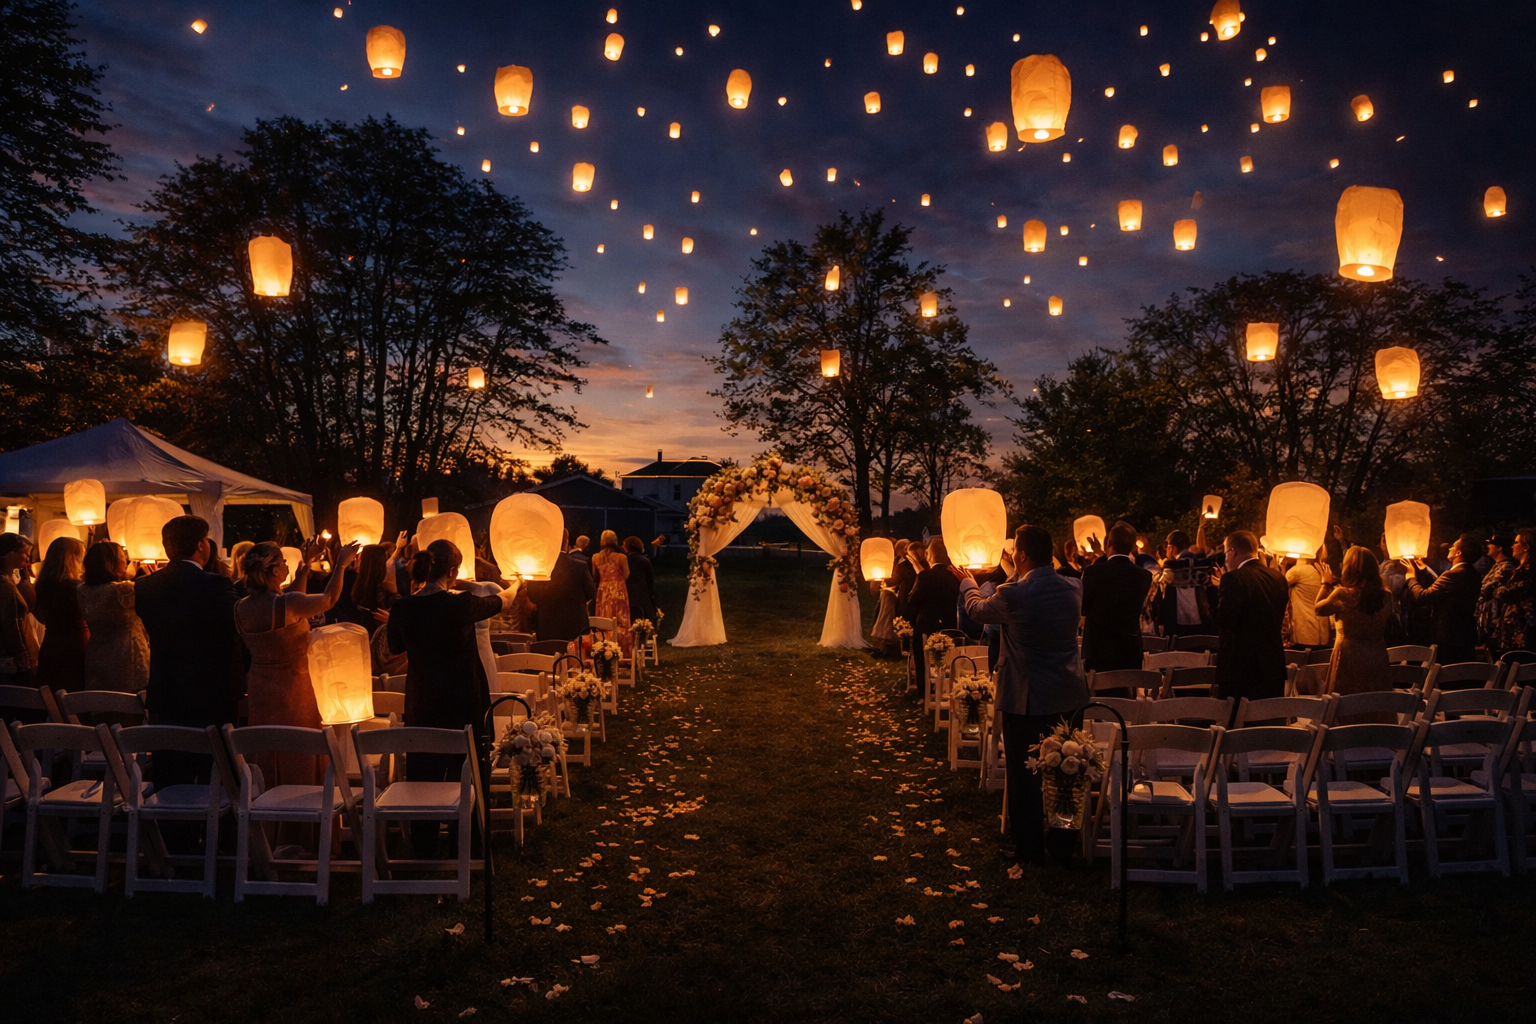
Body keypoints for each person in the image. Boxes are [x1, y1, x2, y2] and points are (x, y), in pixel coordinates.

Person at [956, 524, 1088, 863]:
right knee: (1067, 767)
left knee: (1024, 773)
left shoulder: (1012, 595)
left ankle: (1028, 847)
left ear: (1023, 555)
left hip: (1026, 698)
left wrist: (968, 581)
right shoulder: (1074, 587)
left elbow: (975, 610)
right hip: (1069, 694)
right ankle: (1062, 843)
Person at [386, 539, 522, 854]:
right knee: (471, 772)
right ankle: (469, 845)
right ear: (452, 570)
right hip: (465, 701)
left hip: (423, 703)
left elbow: (394, 647)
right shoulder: (460, 604)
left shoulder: (402, 607)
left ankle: (424, 845)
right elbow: (503, 601)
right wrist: (517, 582)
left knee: (424, 775)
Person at [235, 540, 360, 791]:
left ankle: (269, 813)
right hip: (294, 690)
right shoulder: (287, 603)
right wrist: (341, 564)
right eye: (282, 561)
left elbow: (288, 601)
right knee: (300, 750)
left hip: (260, 690)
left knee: (269, 747)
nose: (286, 564)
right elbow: (328, 598)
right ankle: (303, 816)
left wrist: (306, 565)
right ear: (274, 571)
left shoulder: (241, 607)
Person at [134, 515, 243, 794]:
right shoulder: (216, 585)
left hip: (166, 691)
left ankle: (173, 836)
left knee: (170, 778)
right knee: (218, 778)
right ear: (200, 545)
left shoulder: (146, 586)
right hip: (213, 693)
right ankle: (218, 837)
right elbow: (238, 629)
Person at [1214, 530, 1288, 708]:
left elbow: (1226, 622)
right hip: (1272, 666)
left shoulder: (1233, 578)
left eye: (1225, 553)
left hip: (1240, 669)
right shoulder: (1278, 577)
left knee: (1237, 731)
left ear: (1232, 552)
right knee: (1267, 728)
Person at [1315, 547, 1394, 695]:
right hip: (1377, 658)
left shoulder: (1343, 595)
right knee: (1374, 702)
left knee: (1346, 704)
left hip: (1348, 658)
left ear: (1349, 569)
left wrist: (1325, 584)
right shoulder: (1387, 597)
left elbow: (1319, 609)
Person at [1080, 522, 1153, 673]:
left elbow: (1083, 606)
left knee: (1099, 696)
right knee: (1127, 695)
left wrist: (1100, 555)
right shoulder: (1144, 576)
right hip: (1130, 651)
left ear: (1109, 543)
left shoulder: (1094, 572)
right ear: (1133, 546)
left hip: (1099, 651)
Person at [79, 541, 151, 692]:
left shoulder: (82, 590)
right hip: (126, 655)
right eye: (122, 556)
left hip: (97, 653)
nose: (126, 560)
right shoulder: (123, 590)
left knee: (103, 702)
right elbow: (150, 591)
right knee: (129, 704)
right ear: (110, 562)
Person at [1403, 533, 1482, 665]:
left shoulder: (1453, 575)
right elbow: (1444, 590)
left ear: (1458, 553)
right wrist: (1424, 569)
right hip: (1465, 634)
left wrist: (1411, 577)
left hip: (1448, 636)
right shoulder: (1473, 574)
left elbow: (1422, 597)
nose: (1449, 548)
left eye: (1453, 546)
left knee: (1447, 676)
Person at [32, 536, 89, 692]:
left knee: (50, 692)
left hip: (51, 642)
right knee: (73, 691)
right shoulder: (76, 588)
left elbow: (40, 616)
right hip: (75, 644)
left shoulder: (43, 585)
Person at [526, 531, 597, 648]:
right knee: (577, 663)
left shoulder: (539, 567)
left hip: (547, 628)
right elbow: (591, 592)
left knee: (548, 662)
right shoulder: (580, 565)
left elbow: (532, 595)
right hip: (576, 627)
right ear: (566, 542)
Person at [907, 538, 960, 683]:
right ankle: (946, 687)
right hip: (949, 626)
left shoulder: (925, 576)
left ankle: (924, 690)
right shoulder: (955, 577)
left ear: (930, 556)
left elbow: (912, 601)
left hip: (926, 626)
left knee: (922, 659)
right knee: (948, 661)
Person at [1157, 530, 1214, 637]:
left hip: (1177, 623)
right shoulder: (1203, 565)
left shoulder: (1171, 568)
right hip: (1202, 619)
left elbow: (1160, 591)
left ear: (1171, 548)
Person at [0, 534, 37, 688]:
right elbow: (11, 625)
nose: (27, 557)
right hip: (13, 662)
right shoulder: (4, 587)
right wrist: (23, 658)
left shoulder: (8, 582)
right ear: (11, 555)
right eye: (24, 552)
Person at [591, 530, 633, 656]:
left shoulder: (595, 558)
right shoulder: (622, 557)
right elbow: (626, 574)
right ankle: (623, 652)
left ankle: (603, 651)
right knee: (622, 621)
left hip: (603, 591)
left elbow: (594, 576)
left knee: (604, 622)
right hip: (619, 590)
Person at [1495, 528, 1536, 655]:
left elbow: (1507, 593)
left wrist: (1499, 590)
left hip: (1522, 628)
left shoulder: (1527, 571)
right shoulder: (1521, 570)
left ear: (1526, 547)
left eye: (1516, 542)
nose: (1512, 546)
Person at [1284, 555, 1332, 649]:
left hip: (1305, 632)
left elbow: (1281, 585)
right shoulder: (1323, 569)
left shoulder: (1298, 571)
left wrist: (1287, 565)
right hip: (1322, 633)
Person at [1479, 534, 1516, 654]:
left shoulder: (1506, 566)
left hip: (1495, 619)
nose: (1488, 546)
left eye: (1491, 544)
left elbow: (1486, 589)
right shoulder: (1497, 565)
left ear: (1499, 548)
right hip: (1489, 618)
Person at [623, 535, 657, 626]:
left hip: (627, 590)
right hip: (642, 591)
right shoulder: (645, 560)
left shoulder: (625, 560)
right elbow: (649, 579)